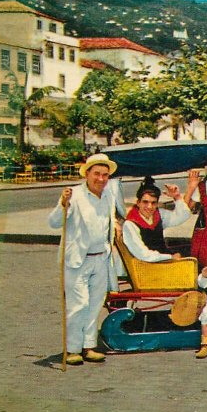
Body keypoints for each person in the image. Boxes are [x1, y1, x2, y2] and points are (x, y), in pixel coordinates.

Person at [47, 153, 126, 366]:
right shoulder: (74, 195)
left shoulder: (108, 195)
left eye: (105, 175)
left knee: (94, 304)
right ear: (87, 174)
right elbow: (54, 223)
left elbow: (110, 221)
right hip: (77, 260)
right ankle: (72, 349)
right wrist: (62, 204)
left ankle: (89, 346)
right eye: (97, 174)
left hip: (101, 258)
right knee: (78, 304)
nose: (101, 179)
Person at [122, 176, 191, 262]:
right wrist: (170, 257)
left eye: (153, 203)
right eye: (145, 202)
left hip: (163, 261)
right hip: (149, 266)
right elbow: (143, 254)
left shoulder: (158, 214)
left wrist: (177, 197)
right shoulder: (130, 224)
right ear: (138, 203)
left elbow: (183, 215)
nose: (149, 207)